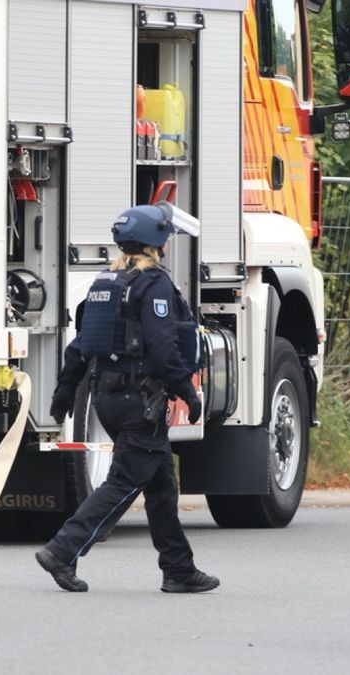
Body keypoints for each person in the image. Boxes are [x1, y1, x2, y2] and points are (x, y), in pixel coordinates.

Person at [35, 203, 218, 594]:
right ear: (157, 242)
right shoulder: (155, 285)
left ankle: (178, 569)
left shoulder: (105, 284)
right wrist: (188, 391)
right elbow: (164, 347)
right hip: (140, 400)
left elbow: (81, 345)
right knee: (122, 482)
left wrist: (65, 391)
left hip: (108, 398)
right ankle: (62, 550)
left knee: (161, 485)